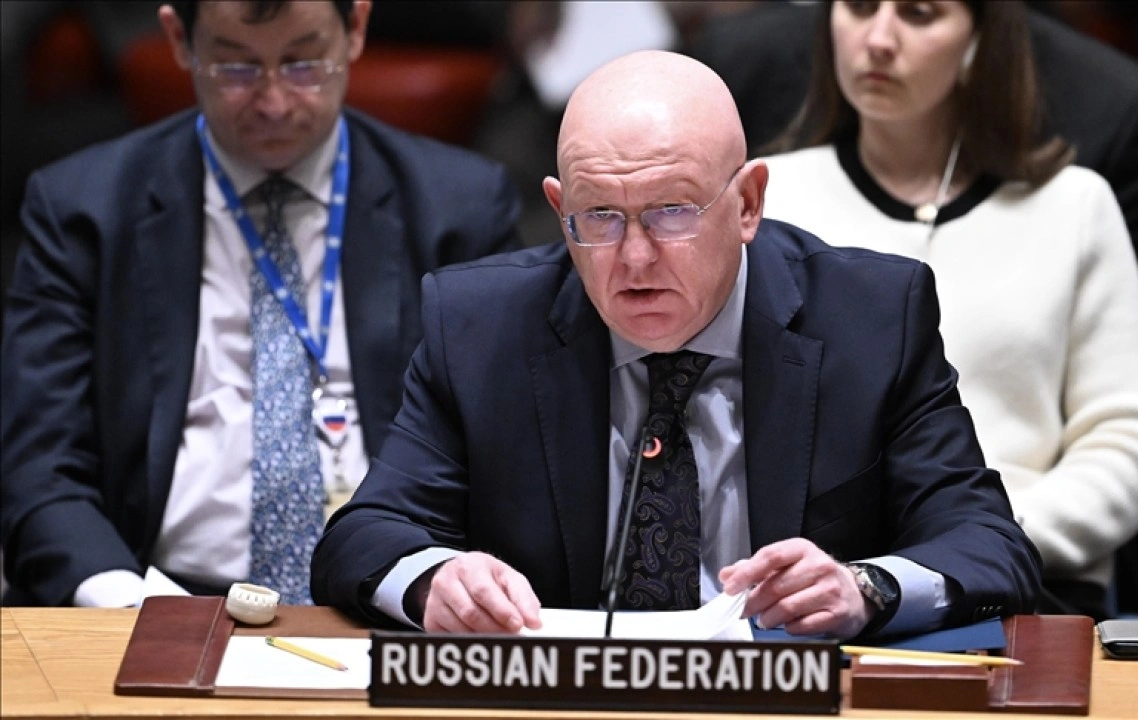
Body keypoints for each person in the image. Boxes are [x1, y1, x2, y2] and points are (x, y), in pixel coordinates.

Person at [312, 49, 1040, 638]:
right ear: (560, 210)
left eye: (672, 211)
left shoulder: (870, 320)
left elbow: (989, 544)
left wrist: (864, 588)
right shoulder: (480, 326)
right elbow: (364, 535)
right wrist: (434, 580)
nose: (634, 258)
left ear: (748, 203)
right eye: (600, 216)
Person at [0, 0, 521, 607]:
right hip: (149, 593)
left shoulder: (459, 209)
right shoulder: (83, 209)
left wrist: (427, 585)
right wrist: (124, 607)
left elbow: (503, 457)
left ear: (355, 29)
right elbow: (39, 464)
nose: (274, 102)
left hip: (387, 597)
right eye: (237, 68)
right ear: (179, 39)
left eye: (303, 64)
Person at [761, 0, 1138, 620]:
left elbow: (1123, 447)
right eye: (859, 7)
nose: (879, 38)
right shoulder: (767, 197)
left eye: (919, 14)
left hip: (1026, 583)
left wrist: (975, 545)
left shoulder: (1074, 206)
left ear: (980, 40)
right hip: (811, 589)